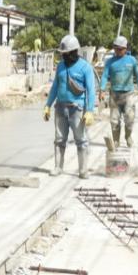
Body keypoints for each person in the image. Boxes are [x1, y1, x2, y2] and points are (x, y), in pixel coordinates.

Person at [43, 35, 97, 178]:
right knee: (59, 139)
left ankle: (83, 170)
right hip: (60, 108)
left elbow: (91, 90)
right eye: (63, 54)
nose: (64, 56)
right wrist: (48, 105)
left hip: (77, 109)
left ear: (74, 52)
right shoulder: (60, 66)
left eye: (67, 54)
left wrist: (90, 110)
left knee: (81, 140)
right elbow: (55, 86)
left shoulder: (85, 67)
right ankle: (58, 167)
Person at [99, 35, 138, 148]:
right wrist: (102, 90)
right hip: (114, 95)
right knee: (114, 120)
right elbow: (104, 76)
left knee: (130, 118)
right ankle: (116, 141)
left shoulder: (131, 60)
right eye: (116, 48)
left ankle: (128, 136)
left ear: (125, 49)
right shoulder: (110, 62)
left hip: (128, 94)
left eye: (120, 49)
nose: (118, 51)